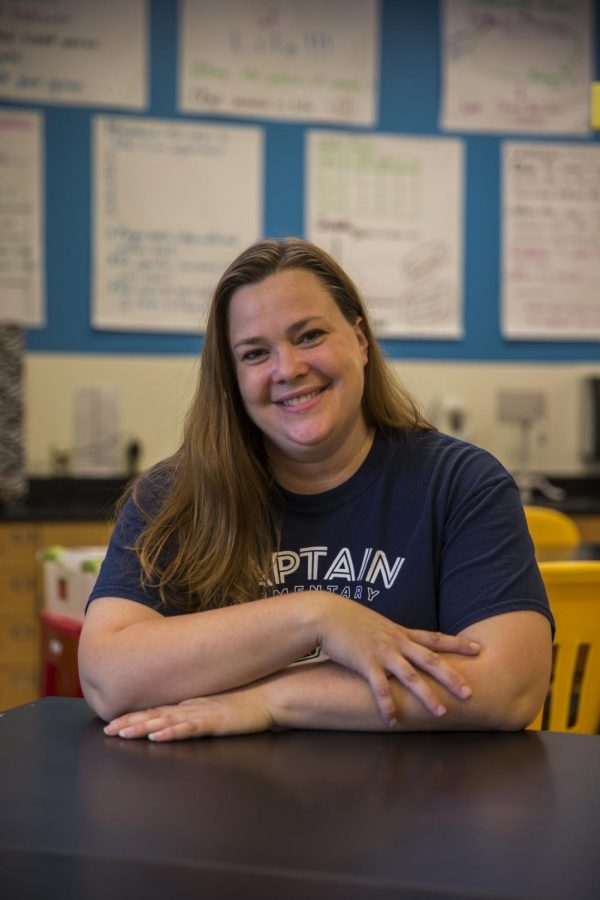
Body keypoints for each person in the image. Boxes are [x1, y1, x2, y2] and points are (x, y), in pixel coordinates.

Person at [79, 237, 553, 742]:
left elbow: (510, 685)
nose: (287, 369)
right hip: (225, 807)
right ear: (233, 378)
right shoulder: (173, 496)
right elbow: (108, 677)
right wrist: (315, 616)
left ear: (360, 340)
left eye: (308, 336)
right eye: (256, 353)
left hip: (414, 808)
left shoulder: (461, 483)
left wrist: (270, 698)